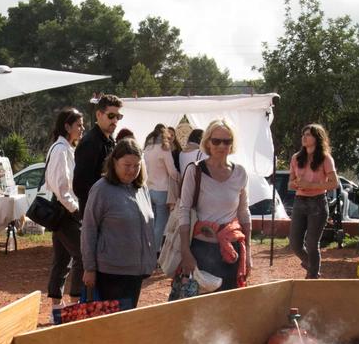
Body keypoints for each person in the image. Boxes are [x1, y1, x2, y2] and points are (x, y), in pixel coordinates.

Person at [173, 117, 253, 291]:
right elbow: (184, 210)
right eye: (216, 141)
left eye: (227, 141)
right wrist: (185, 251)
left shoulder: (240, 173)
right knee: (201, 309)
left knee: (229, 305)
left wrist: (248, 252)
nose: (222, 146)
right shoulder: (195, 171)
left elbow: (244, 213)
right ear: (207, 142)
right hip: (202, 249)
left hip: (232, 249)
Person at [82, 140, 160, 309]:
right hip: (112, 272)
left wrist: (149, 261)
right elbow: (89, 229)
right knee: (113, 326)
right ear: (114, 162)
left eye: (137, 165)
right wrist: (89, 268)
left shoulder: (141, 189)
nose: (132, 170)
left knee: (127, 321)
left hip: (136, 271)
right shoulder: (101, 189)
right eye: (127, 165)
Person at [43, 106, 85, 301]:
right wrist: (75, 209)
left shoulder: (65, 148)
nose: (82, 129)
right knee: (82, 256)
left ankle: (56, 307)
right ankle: (74, 302)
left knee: (62, 260)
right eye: (79, 125)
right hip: (64, 210)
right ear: (67, 127)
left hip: (63, 209)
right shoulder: (61, 150)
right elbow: (61, 187)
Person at [288, 123, 339, 279]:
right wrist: (296, 184)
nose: (304, 137)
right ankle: (311, 265)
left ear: (317, 138)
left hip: (318, 202)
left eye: (308, 134)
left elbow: (334, 183)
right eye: (303, 134)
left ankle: (312, 277)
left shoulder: (325, 158)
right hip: (299, 201)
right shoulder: (296, 158)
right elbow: (290, 183)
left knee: (311, 243)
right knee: (295, 243)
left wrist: (311, 185)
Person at [72, 94, 122, 218]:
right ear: (99, 115)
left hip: (108, 212)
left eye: (118, 116)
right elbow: (80, 185)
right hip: (95, 214)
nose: (115, 120)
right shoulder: (90, 142)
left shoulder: (110, 140)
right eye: (111, 116)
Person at [142, 123, 181, 249]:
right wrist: (181, 178)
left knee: (151, 223)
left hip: (149, 189)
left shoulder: (147, 148)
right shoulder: (164, 148)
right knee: (161, 224)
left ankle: (148, 250)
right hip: (162, 190)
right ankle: (154, 253)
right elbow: (172, 171)